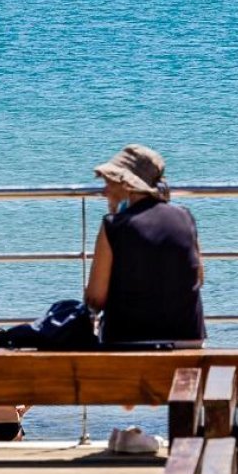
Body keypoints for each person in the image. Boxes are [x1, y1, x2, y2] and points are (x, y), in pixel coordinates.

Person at [85, 144, 206, 346]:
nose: (105, 191)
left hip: (130, 342)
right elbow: (199, 278)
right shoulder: (185, 217)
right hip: (189, 339)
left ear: (127, 185)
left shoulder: (113, 225)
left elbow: (97, 299)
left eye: (109, 182)